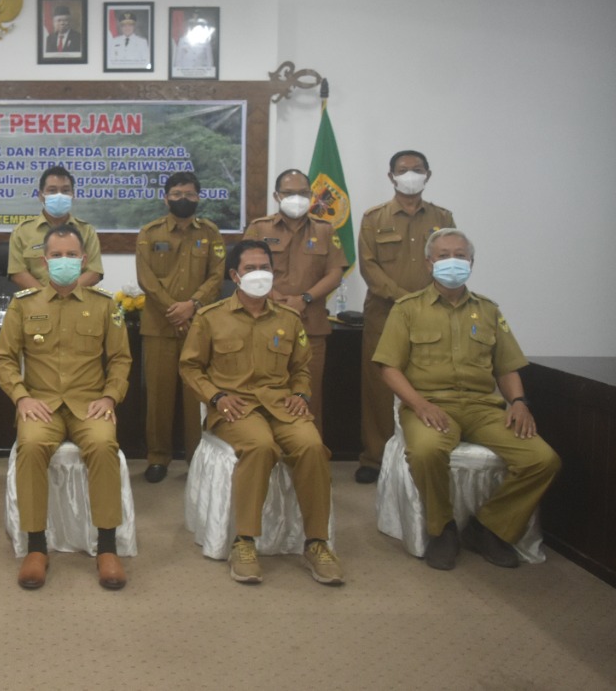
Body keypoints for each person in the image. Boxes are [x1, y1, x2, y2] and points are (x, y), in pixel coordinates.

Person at [373, 229, 560, 570]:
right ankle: (442, 529)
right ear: (429, 263)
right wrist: (419, 405)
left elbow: (507, 366)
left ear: (471, 263)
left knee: (543, 459)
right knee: (427, 450)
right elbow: (389, 369)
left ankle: (488, 527)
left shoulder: (488, 311)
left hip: (483, 408)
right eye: (443, 256)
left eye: (460, 255)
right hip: (429, 405)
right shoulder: (407, 309)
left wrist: (519, 402)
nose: (452, 262)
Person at [179, 239, 343, 586]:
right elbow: (191, 368)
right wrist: (217, 397)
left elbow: (301, 368)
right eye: (251, 269)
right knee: (260, 447)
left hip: (283, 404)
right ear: (235, 276)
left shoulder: (288, 318)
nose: (259, 275)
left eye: (265, 268)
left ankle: (316, 542)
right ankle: (245, 541)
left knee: (312, 447)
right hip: (235, 406)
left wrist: (301, 393)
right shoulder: (210, 318)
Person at [0, 225, 132, 591]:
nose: (64, 262)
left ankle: (107, 547)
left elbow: (120, 359)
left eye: (72, 255)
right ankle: (36, 548)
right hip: (41, 403)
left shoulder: (105, 305)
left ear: (84, 260)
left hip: (90, 403)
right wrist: (22, 397)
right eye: (57, 256)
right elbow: (5, 359)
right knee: (32, 446)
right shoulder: (23, 304)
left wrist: (110, 397)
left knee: (104, 446)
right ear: (44, 261)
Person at [355, 150, 455, 484]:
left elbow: (450, 261)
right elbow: (369, 267)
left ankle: (422, 450)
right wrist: (406, 300)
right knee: (379, 385)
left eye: (417, 170)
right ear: (390, 176)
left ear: (428, 175)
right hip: (385, 314)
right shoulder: (374, 218)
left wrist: (425, 302)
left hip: (432, 315)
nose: (409, 175)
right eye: (403, 170)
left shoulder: (443, 217)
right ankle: (375, 457)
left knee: (427, 380)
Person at [135, 171, 226, 482]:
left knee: (195, 398)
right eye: (176, 194)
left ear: (198, 197)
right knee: (158, 398)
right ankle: (157, 458)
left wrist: (192, 306)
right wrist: (174, 310)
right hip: (159, 326)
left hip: (199, 326)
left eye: (189, 194)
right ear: (166, 198)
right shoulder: (149, 232)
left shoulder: (211, 233)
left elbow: (217, 276)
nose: (182, 199)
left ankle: (197, 459)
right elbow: (146, 279)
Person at [243, 169, 349, 431]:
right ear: (276, 195)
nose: (296, 198)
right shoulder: (259, 228)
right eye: (289, 193)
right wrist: (274, 297)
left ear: (312, 196)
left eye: (303, 193)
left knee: (308, 396)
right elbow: (244, 268)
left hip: (309, 324)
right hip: (264, 323)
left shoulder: (325, 230)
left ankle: (308, 459)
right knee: (262, 392)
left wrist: (305, 298)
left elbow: (335, 273)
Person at [7, 165, 103, 290]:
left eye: (65, 191)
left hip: (77, 302)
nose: (59, 195)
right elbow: (17, 273)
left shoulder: (87, 231)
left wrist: (65, 293)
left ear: (73, 195)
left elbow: (94, 272)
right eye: (52, 190)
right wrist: (46, 296)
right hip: (36, 303)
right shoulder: (22, 231)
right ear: (41, 195)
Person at [172, 12, 216, 77]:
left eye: (197, 24)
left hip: (201, 73)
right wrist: (177, 75)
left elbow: (209, 60)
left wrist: (209, 75)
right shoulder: (182, 40)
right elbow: (178, 60)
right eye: (193, 24)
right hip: (185, 73)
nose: (195, 26)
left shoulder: (206, 41)